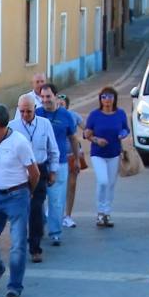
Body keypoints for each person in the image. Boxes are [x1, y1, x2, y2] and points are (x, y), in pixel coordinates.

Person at [0, 104, 38, 297]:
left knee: (18, 243)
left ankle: (14, 286)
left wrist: (27, 192)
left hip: (17, 196)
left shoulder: (19, 143)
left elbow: (34, 173)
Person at [14, 94, 60, 263]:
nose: (25, 115)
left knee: (35, 208)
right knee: (19, 210)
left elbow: (53, 149)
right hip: (18, 172)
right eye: (22, 111)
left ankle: (35, 247)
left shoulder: (44, 124)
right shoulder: (13, 126)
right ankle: (18, 244)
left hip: (39, 170)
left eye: (29, 111)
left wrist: (53, 171)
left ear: (35, 109)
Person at [37, 84, 82, 248]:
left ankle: (55, 232)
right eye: (42, 97)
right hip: (40, 164)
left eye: (48, 97)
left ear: (55, 96)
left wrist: (76, 159)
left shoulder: (66, 115)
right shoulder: (37, 114)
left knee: (56, 200)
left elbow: (73, 138)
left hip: (61, 163)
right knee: (38, 200)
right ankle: (39, 227)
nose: (45, 100)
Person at [82, 86, 132, 227]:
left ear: (114, 99)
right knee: (103, 181)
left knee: (110, 184)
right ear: (100, 99)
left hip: (114, 153)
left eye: (110, 97)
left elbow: (125, 129)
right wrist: (97, 140)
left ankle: (107, 213)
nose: (107, 100)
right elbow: (87, 133)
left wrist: (123, 134)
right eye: (104, 97)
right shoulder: (94, 115)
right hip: (98, 153)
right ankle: (100, 212)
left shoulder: (120, 114)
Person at [59, 93, 86, 228]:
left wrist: (92, 135)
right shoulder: (50, 117)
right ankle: (54, 211)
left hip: (72, 155)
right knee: (55, 186)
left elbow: (86, 128)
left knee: (72, 185)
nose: (59, 106)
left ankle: (68, 215)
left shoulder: (73, 116)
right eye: (57, 103)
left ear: (67, 106)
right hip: (57, 157)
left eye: (62, 104)